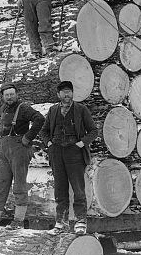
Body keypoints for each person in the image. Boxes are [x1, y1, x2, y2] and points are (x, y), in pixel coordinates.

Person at [28, 80, 96, 235]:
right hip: (57, 153)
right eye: (64, 92)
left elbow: (93, 131)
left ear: (72, 93)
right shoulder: (53, 111)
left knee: (78, 189)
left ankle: (80, 221)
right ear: (58, 95)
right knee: (60, 189)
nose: (67, 94)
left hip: (75, 153)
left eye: (69, 91)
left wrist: (81, 143)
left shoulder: (81, 109)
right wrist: (49, 143)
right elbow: (44, 131)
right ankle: (61, 222)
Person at [0, 84, 46, 233]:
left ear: (16, 94)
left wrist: (28, 137)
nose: (9, 97)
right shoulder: (3, 108)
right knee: (1, 184)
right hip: (4, 150)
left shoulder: (23, 108)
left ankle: (18, 221)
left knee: (19, 185)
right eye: (7, 95)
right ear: (3, 96)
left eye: (12, 94)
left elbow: (39, 119)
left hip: (19, 149)